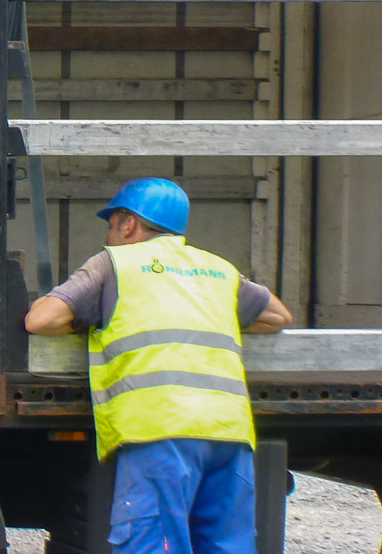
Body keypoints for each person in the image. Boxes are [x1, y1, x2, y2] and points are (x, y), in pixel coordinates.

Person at [25, 177, 292, 554]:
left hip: (160, 432)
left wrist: (85, 320)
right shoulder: (217, 269)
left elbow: (41, 320)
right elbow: (279, 316)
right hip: (229, 433)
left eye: (111, 225)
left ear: (129, 223)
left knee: (152, 545)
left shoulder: (115, 264)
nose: (108, 236)